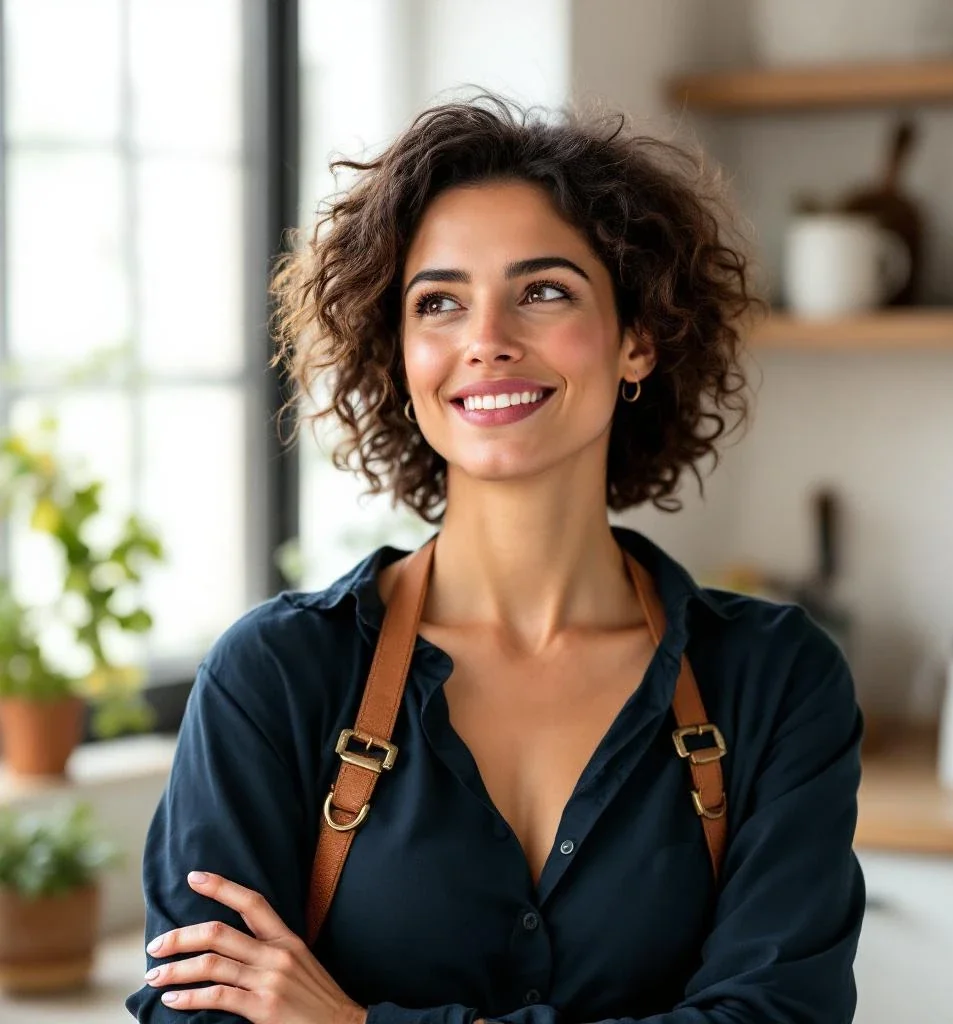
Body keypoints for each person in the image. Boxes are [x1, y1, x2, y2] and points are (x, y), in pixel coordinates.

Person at [126, 93, 865, 1024]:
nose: (486, 340)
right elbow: (196, 1014)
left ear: (637, 338)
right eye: (439, 303)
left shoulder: (775, 683)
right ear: (399, 357)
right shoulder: (276, 677)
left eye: (544, 291)